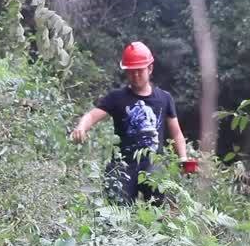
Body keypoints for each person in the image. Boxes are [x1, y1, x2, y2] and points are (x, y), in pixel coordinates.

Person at [70, 41, 194, 205]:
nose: (135, 76)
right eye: (130, 72)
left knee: (158, 210)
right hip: (123, 166)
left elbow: (176, 132)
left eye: (139, 71)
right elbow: (92, 116)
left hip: (152, 165)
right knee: (117, 215)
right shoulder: (117, 98)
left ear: (150, 69)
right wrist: (81, 127)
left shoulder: (164, 99)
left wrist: (183, 158)